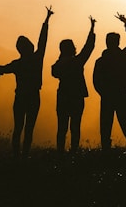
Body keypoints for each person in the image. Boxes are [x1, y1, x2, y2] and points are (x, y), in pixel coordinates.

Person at [0, 6, 54, 158]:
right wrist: (47, 20)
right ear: (29, 47)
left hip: (20, 97)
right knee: (29, 128)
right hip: (33, 97)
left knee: (18, 128)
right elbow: (43, 40)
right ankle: (25, 155)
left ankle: (16, 156)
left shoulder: (18, 64)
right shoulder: (37, 59)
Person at [51, 16, 96, 154]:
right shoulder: (77, 62)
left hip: (63, 96)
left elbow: (54, 73)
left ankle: (60, 152)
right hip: (76, 97)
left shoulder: (57, 65)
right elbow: (89, 47)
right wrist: (92, 29)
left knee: (62, 127)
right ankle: (74, 152)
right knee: (75, 126)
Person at [93, 13, 126, 152]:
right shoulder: (122, 57)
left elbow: (96, 81)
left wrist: (103, 92)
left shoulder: (101, 61)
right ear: (117, 42)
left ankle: (106, 150)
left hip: (107, 96)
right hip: (120, 94)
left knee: (106, 125)